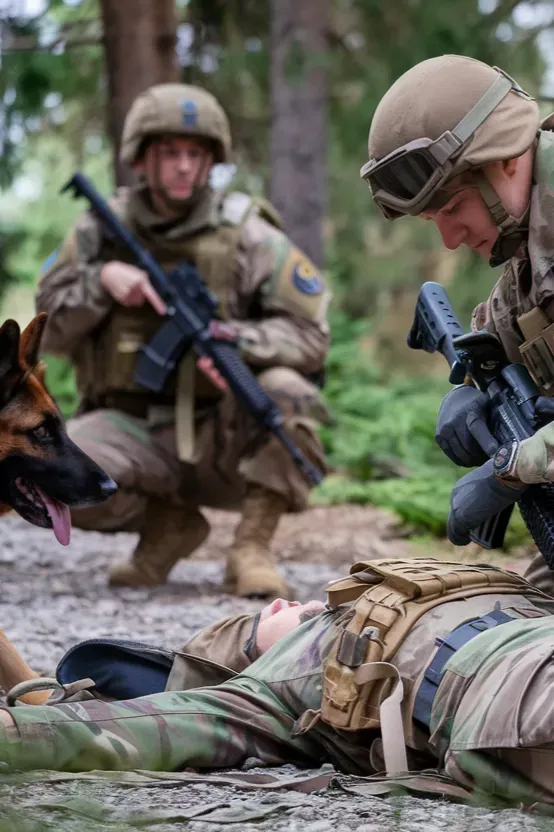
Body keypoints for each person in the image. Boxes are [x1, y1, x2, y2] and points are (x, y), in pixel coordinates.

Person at [35, 83, 331, 599]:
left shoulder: (248, 234)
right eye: (170, 153)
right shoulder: (98, 230)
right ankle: (167, 525)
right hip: (131, 427)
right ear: (141, 159)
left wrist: (234, 342)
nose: (184, 167)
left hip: (222, 429)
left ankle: (252, 547)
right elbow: (47, 333)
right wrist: (99, 283)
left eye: (196, 155)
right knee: (51, 467)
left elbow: (310, 334)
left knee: (288, 390)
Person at [1, 556, 554, 808]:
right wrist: (13, 728)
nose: (285, 601)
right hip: (509, 694)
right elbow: (140, 728)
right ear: (234, 666)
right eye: (250, 626)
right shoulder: (278, 689)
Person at [361, 54, 554, 591]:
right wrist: (468, 398)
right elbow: (492, 342)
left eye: (454, 208)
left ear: (508, 161)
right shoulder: (530, 256)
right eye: (431, 221)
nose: (449, 239)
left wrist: (517, 465)